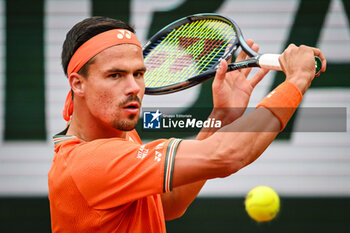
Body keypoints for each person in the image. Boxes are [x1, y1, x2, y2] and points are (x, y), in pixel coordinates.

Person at [48, 16, 326, 232]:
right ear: (78, 83)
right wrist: (295, 82)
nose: (134, 87)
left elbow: (168, 204)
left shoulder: (118, 130)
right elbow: (228, 155)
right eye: (115, 75)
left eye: (139, 73)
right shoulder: (88, 164)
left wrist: (222, 119)